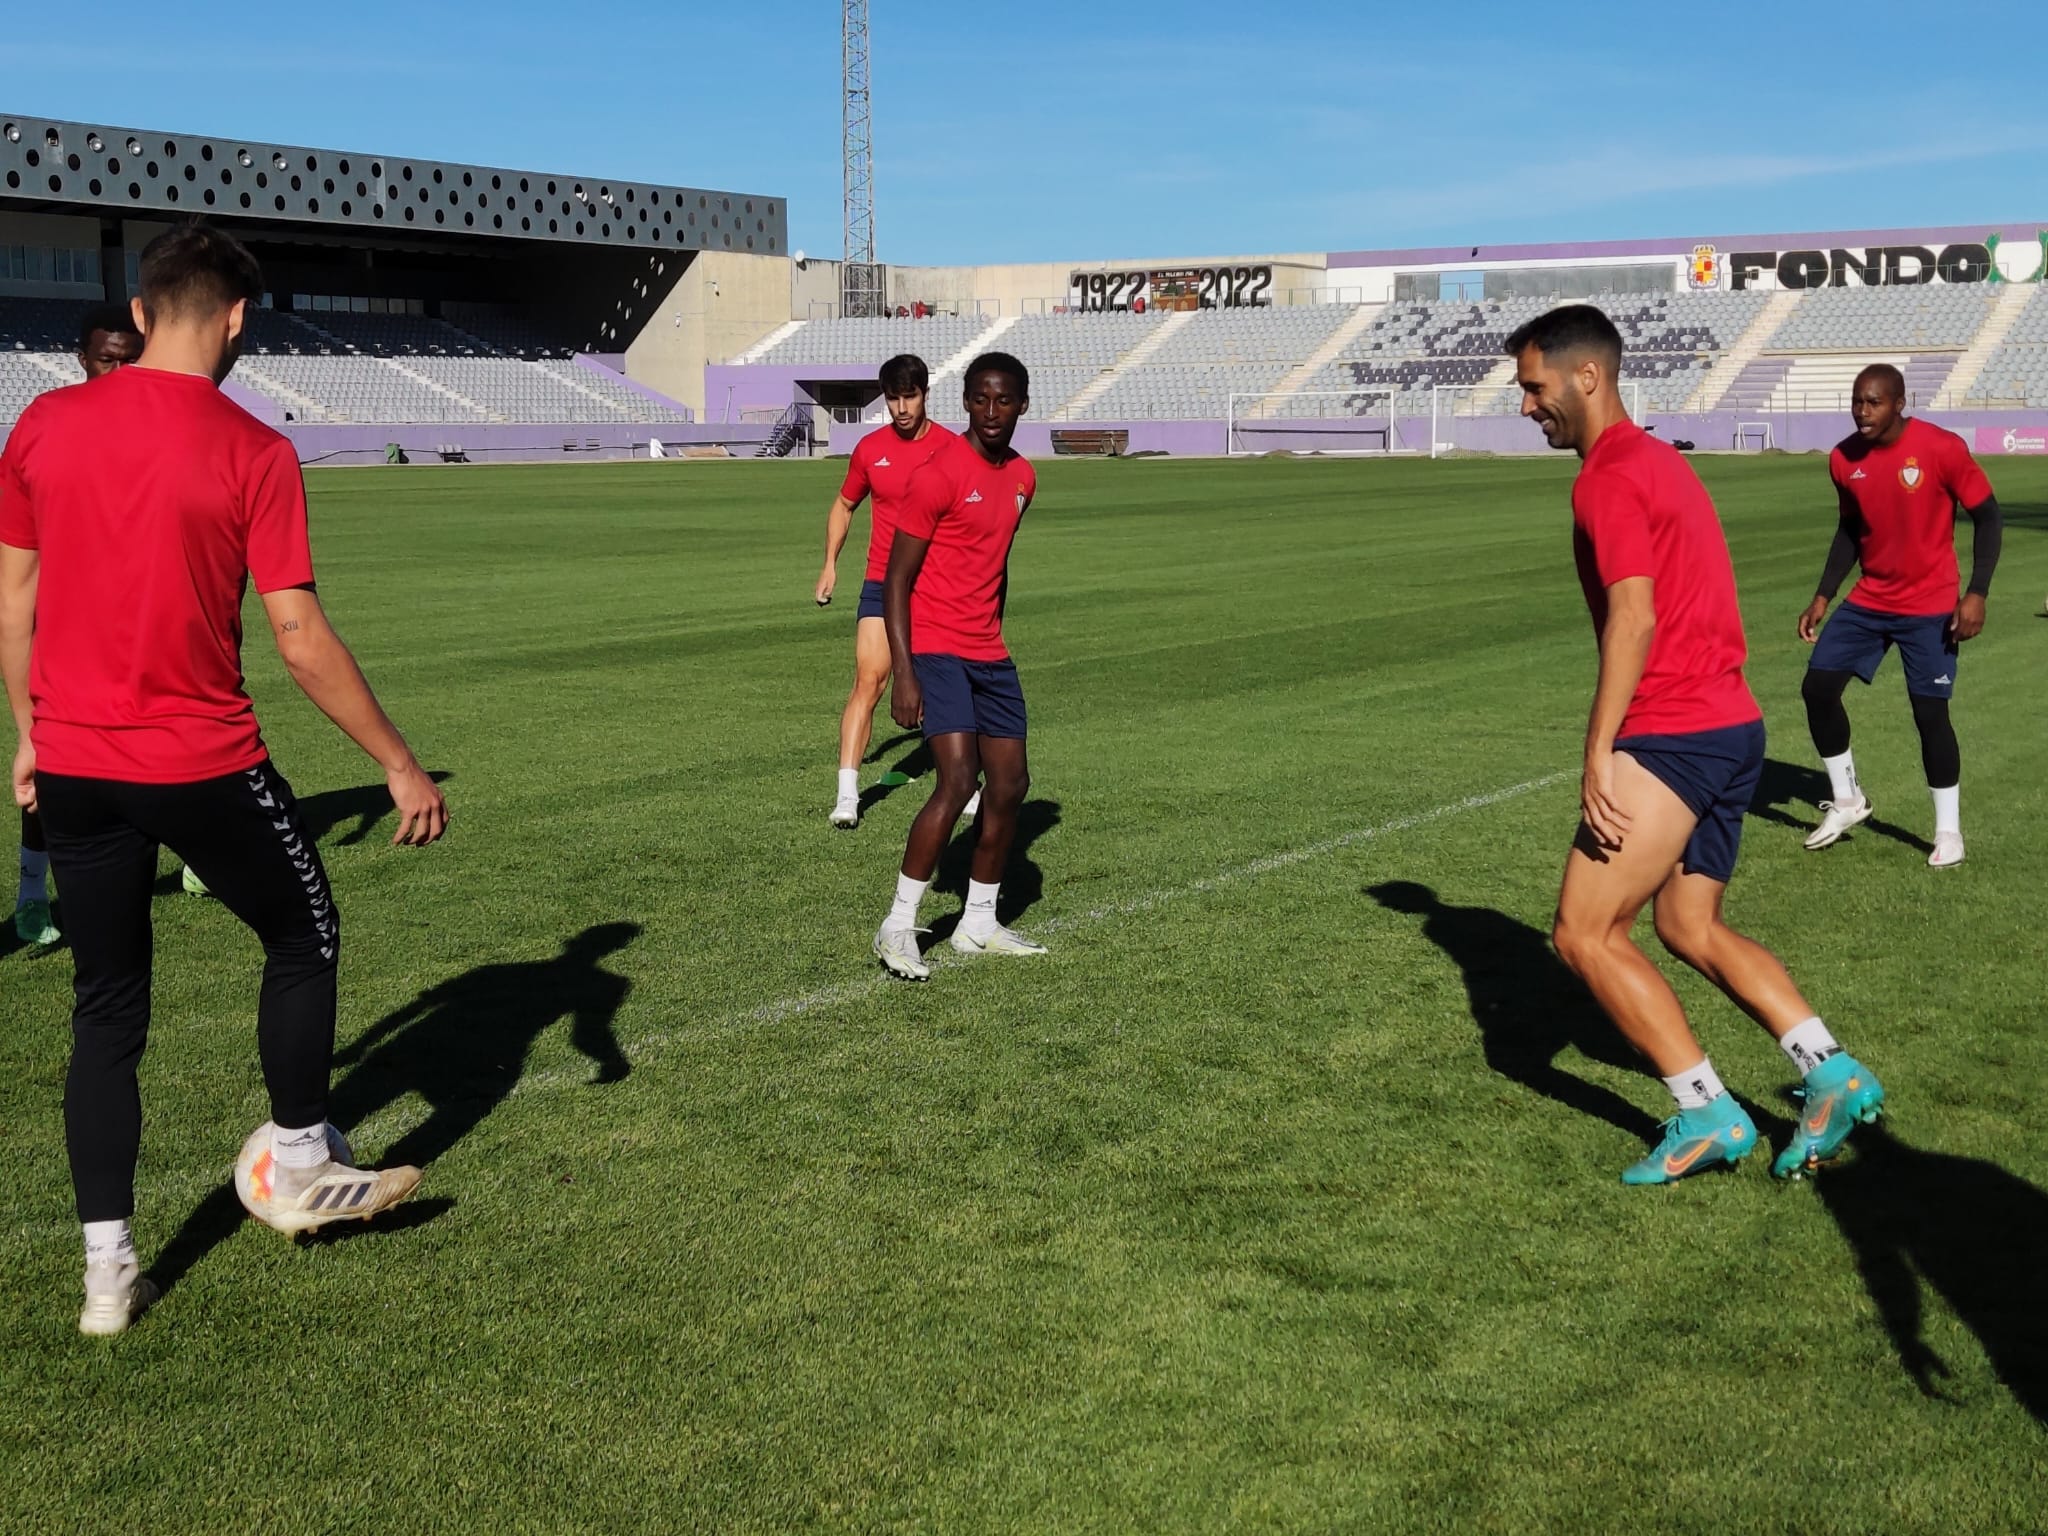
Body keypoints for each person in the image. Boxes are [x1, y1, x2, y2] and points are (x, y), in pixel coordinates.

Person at [0, 222, 447, 1335]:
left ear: (144, 313)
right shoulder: (253, 449)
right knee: (303, 935)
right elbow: (297, 637)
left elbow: (15, 601)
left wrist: (29, 735)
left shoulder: (44, 425)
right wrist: (398, 764)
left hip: (77, 764)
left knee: (106, 1009)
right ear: (238, 319)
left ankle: (108, 1277)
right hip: (200, 760)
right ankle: (297, 1158)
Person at [1510, 304, 1883, 1186]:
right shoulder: (1659, 464)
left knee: (1584, 933)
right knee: (1686, 923)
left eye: (1534, 387)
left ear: (1586, 377)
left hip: (1675, 732)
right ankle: (1830, 1070)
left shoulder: (1606, 476)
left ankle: (1705, 1110)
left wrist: (1598, 748)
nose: (1527, 406)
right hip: (1731, 725)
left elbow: (1634, 615)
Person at [871, 353, 1043, 980]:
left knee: (1011, 786)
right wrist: (905, 670)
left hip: (989, 651)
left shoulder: (1024, 478)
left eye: (1004, 401)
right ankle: (897, 925)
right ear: (966, 401)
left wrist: (990, 631)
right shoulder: (938, 474)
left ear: (1022, 403)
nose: (991, 412)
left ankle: (976, 924)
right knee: (958, 779)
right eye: (980, 400)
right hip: (936, 648)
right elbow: (897, 579)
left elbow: (992, 565)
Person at [1797, 364, 2002, 868]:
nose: (1862, 412)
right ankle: (1848, 801)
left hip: (1930, 605)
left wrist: (1976, 593)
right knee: (1817, 689)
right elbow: (1850, 531)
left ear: (1899, 403)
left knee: (1929, 714)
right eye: (1857, 402)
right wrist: (1824, 595)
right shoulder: (1844, 459)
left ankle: (1948, 832)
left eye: (1873, 402)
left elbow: (1988, 515)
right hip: (1871, 599)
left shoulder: (1941, 448)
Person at [14, 305, 145, 947]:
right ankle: (32, 894)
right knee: (50, 766)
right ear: (81, 359)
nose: (116, 371)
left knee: (164, 738)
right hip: (57, 626)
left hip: (133, 621)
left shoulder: (158, 429)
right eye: (105, 359)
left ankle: (200, 855)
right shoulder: (50, 425)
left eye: (128, 359)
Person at [814, 354, 974, 828]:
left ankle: (962, 786)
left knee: (947, 688)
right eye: (893, 399)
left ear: (926, 395)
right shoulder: (870, 450)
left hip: (937, 585)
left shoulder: (952, 449)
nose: (902, 408)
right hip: (882, 584)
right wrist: (829, 566)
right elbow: (844, 505)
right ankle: (847, 795)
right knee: (869, 680)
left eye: (910, 396)